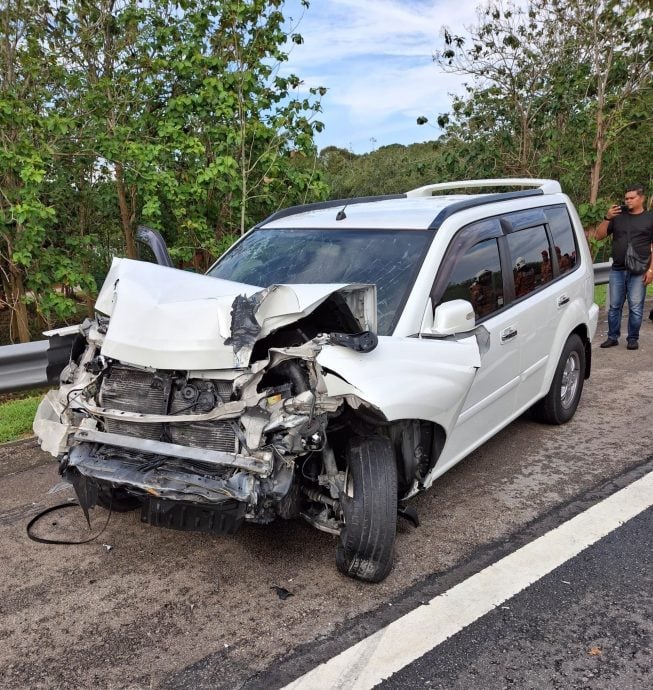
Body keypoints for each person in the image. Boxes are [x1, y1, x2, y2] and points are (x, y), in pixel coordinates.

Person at [592, 184, 653, 350]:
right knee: (614, 306)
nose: (628, 201)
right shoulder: (617, 216)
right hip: (618, 269)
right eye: (626, 198)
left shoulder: (649, 219)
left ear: (642, 198)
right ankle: (612, 337)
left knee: (635, 306)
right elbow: (598, 236)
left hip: (639, 271)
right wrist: (607, 217)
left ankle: (632, 338)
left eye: (632, 198)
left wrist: (651, 270)